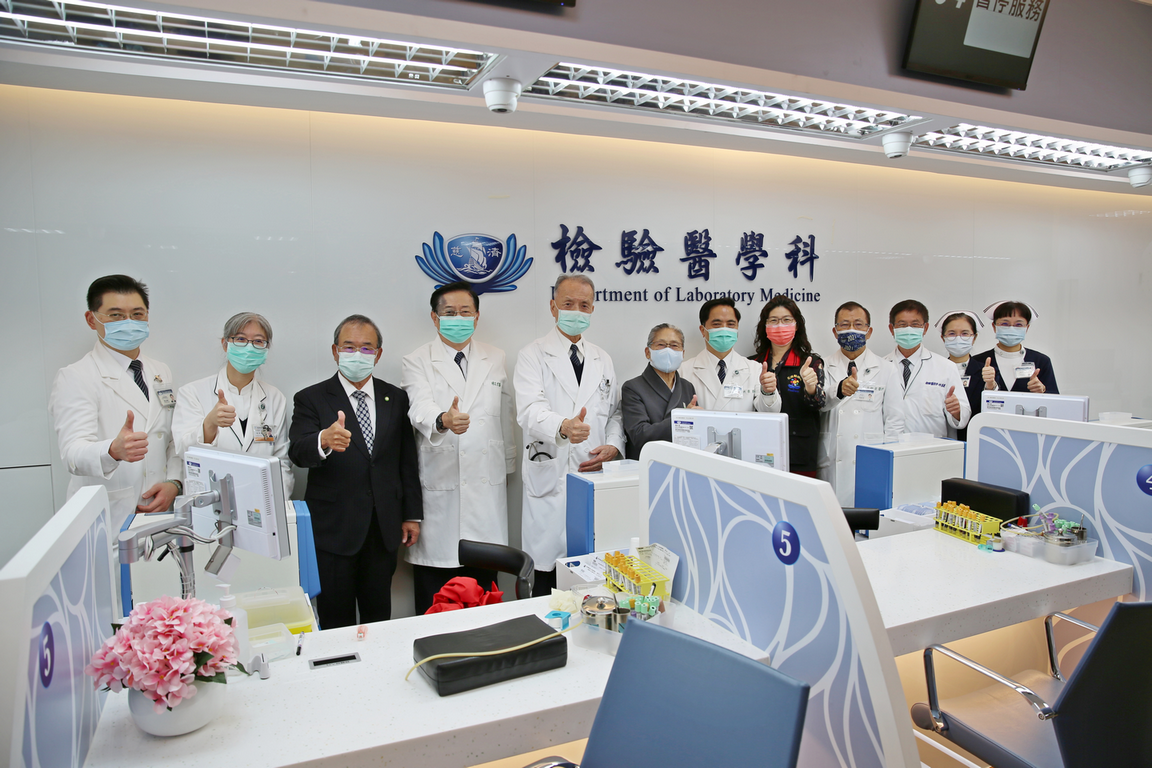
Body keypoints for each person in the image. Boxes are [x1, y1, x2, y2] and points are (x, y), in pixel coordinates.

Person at [288, 314, 422, 629]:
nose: (357, 354)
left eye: (366, 348)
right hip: (333, 529)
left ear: (378, 353)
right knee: (336, 619)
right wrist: (323, 439)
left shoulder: (396, 398)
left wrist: (411, 515)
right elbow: (297, 452)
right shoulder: (311, 398)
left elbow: (406, 460)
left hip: (383, 527)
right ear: (335, 351)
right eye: (349, 347)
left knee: (379, 617)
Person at [401, 282, 515, 615]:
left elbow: (505, 415)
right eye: (449, 312)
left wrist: (507, 463)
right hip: (441, 494)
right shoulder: (417, 360)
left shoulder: (496, 357)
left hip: (485, 491)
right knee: (436, 601)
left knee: (484, 599)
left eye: (465, 312)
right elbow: (417, 407)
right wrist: (443, 420)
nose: (458, 318)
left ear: (477, 317)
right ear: (435, 318)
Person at [514, 274, 624, 596]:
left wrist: (613, 446)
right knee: (546, 577)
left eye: (584, 305)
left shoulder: (603, 359)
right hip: (550, 477)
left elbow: (615, 414)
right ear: (553, 307)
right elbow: (529, 410)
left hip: (592, 473)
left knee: (591, 576)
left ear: (592, 310)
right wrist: (562, 425)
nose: (577, 311)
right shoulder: (532, 354)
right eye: (568, 304)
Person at [49, 275, 182, 537]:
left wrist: (174, 483)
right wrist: (111, 451)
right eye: (116, 315)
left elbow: (170, 438)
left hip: (160, 511)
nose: (129, 322)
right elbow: (72, 454)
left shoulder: (160, 371)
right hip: (109, 517)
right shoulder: (76, 376)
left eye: (137, 314)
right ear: (92, 320)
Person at [171, 312, 294, 497]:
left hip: (261, 501)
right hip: (211, 499)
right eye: (241, 339)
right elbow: (184, 452)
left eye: (258, 341)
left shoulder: (274, 397)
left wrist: (277, 501)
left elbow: (281, 462)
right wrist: (209, 424)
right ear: (225, 344)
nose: (249, 347)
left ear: (266, 348)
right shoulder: (193, 392)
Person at [819, 301, 904, 506]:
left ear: (869, 331)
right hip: (832, 459)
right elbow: (818, 406)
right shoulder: (822, 365)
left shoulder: (886, 369)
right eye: (844, 324)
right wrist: (838, 391)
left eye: (858, 324)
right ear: (835, 331)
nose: (851, 330)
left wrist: (890, 462)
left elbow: (894, 421)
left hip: (870, 460)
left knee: (867, 517)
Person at [751, 295, 826, 477]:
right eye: (773, 320)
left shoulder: (811, 362)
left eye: (786, 320)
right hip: (760, 449)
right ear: (765, 326)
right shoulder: (753, 364)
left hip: (800, 451)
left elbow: (819, 405)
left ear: (796, 325)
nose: (780, 326)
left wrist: (810, 388)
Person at [884, 300, 970, 439]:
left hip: (931, 447)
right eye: (902, 325)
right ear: (891, 328)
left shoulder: (946, 367)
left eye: (915, 324)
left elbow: (963, 417)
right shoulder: (881, 367)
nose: (908, 329)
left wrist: (956, 411)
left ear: (925, 328)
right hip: (890, 445)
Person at [679, 297, 780, 414]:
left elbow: (770, 413)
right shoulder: (683, 371)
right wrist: (686, 413)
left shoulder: (755, 369)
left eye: (731, 324)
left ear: (737, 329)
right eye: (717, 324)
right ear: (703, 330)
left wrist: (768, 393)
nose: (724, 329)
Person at [965, 301, 1059, 419]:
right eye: (1004, 324)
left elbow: (1056, 406)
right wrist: (989, 388)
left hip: (1028, 427)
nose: (1011, 328)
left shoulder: (1041, 361)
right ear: (994, 327)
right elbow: (969, 406)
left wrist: (1042, 392)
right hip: (989, 426)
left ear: (1027, 328)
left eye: (1019, 325)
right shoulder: (978, 362)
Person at [621, 324, 698, 461]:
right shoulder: (633, 387)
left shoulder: (687, 387)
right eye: (661, 345)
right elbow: (639, 435)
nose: (668, 350)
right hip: (648, 464)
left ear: (682, 353)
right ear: (648, 352)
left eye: (674, 345)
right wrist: (681, 421)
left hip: (682, 463)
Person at [935, 310, 983, 440]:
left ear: (974, 338)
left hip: (975, 440)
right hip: (941, 439)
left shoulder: (986, 372)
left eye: (965, 333)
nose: (958, 338)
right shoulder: (934, 370)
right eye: (952, 334)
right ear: (943, 338)